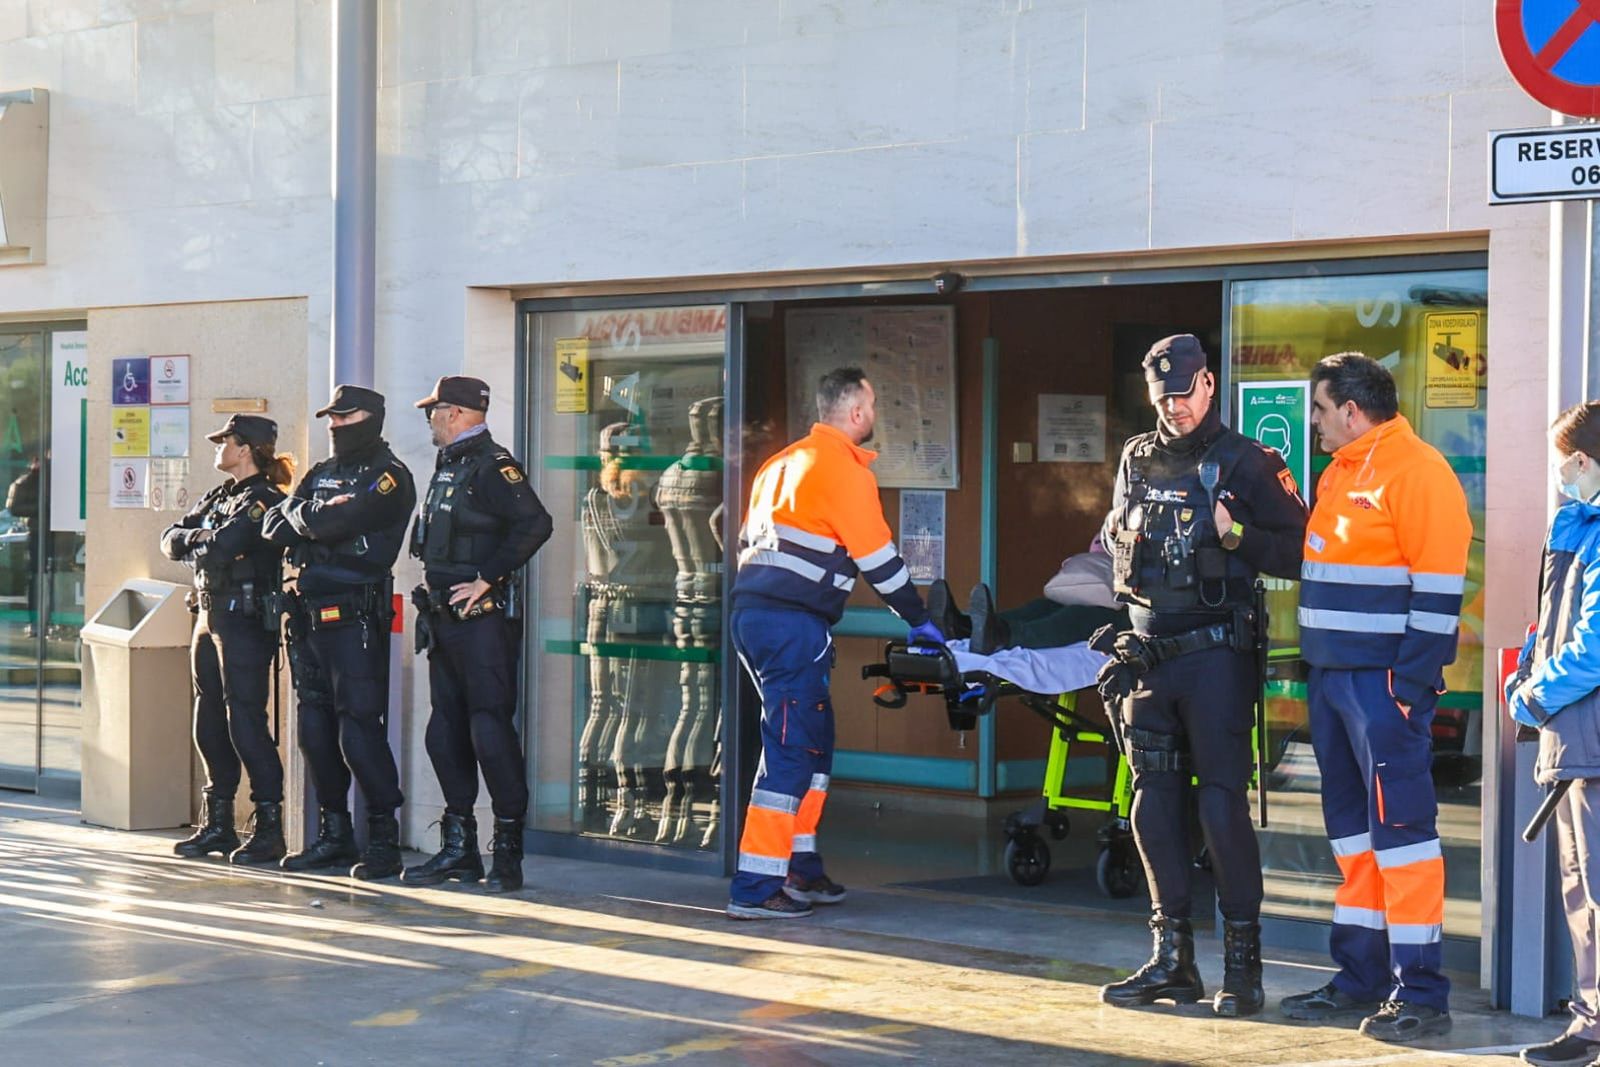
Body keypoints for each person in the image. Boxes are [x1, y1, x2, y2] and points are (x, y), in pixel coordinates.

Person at [1095, 334, 1307, 1018]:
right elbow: (1120, 545)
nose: (1175, 407)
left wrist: (1236, 534)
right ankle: (1172, 961)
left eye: (1185, 394)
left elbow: (1301, 552)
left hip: (1217, 659)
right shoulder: (1136, 457)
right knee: (1151, 805)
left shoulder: (1250, 461)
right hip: (1147, 656)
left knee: (1220, 806)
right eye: (1164, 398)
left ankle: (1242, 968)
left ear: (1209, 384)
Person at [1279, 352, 1470, 1043]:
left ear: (1353, 411)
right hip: (1333, 681)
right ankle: (1359, 977)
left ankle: (1421, 993)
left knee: (1403, 838)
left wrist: (1408, 689)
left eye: (1321, 408)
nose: (1315, 421)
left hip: (1383, 687)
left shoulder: (1418, 471)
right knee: (1354, 839)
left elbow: (1440, 593)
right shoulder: (1340, 470)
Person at [726, 366, 942, 919]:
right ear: (856, 412)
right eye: (873, 405)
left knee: (812, 743)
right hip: (792, 626)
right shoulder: (843, 470)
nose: (875, 414)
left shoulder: (780, 463)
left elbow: (739, 534)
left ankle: (800, 867)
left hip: (755, 617)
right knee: (793, 748)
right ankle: (756, 886)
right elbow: (879, 560)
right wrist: (919, 618)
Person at [402, 376, 552, 893]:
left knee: (489, 731)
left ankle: (506, 854)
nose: (429, 419)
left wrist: (488, 577)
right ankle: (459, 849)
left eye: (434, 410)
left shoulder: (492, 465)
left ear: (457, 413)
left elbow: (535, 523)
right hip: (444, 620)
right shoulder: (451, 463)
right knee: (444, 734)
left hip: (482, 623)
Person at [262, 385, 416, 880]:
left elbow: (350, 518)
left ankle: (383, 840)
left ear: (371, 417)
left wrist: (309, 520)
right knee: (315, 730)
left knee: (358, 730)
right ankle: (334, 834)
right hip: (307, 614)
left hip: (355, 619)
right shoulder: (322, 472)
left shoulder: (389, 475)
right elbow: (273, 524)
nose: (334, 425)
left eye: (345, 416)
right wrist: (314, 518)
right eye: (331, 417)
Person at [1509, 400, 1600, 1067]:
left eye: (1561, 462)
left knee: (1591, 888)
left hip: (1587, 738)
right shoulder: (1577, 524)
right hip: (1576, 738)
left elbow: (1594, 645)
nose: (1558, 474)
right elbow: (1553, 625)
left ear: (1584, 459)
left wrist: (1534, 696)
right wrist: (1528, 671)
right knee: (1582, 886)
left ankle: (1593, 1028)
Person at [161, 415, 293, 865]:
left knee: (245, 720)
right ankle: (217, 823)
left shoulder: (263, 500)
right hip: (208, 612)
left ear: (246, 449)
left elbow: (222, 547)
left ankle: (269, 827)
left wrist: (200, 542)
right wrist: (199, 536)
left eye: (225, 441)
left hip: (244, 619)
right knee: (209, 718)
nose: (218, 447)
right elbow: (169, 539)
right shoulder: (220, 496)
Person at [925, 540, 1125, 653]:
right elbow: (1099, 547)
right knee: (1044, 606)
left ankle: (1004, 636)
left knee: (1081, 616)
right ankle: (964, 627)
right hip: (1122, 598)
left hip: (1136, 618)